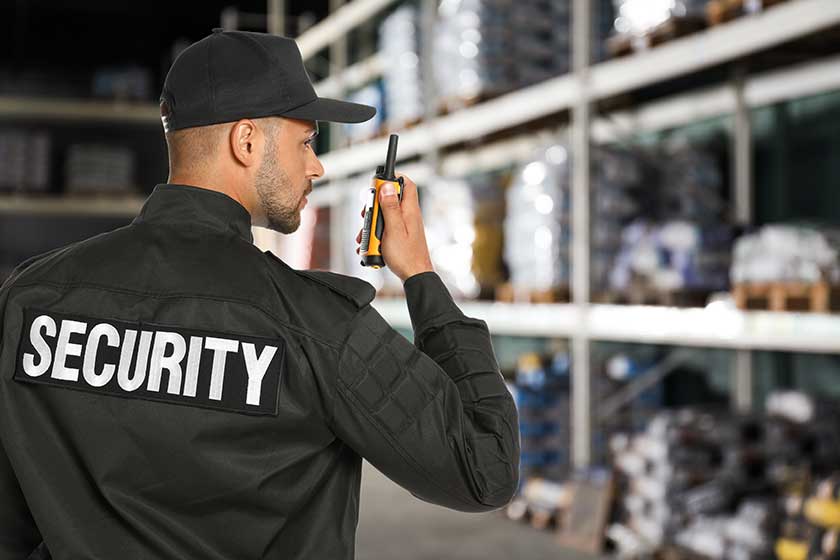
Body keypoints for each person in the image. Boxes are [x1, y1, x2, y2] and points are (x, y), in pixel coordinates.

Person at [0, 29, 520, 559]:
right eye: (307, 141)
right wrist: (421, 278)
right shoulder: (316, 324)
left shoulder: (30, 296)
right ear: (245, 141)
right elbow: (485, 470)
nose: (315, 165)